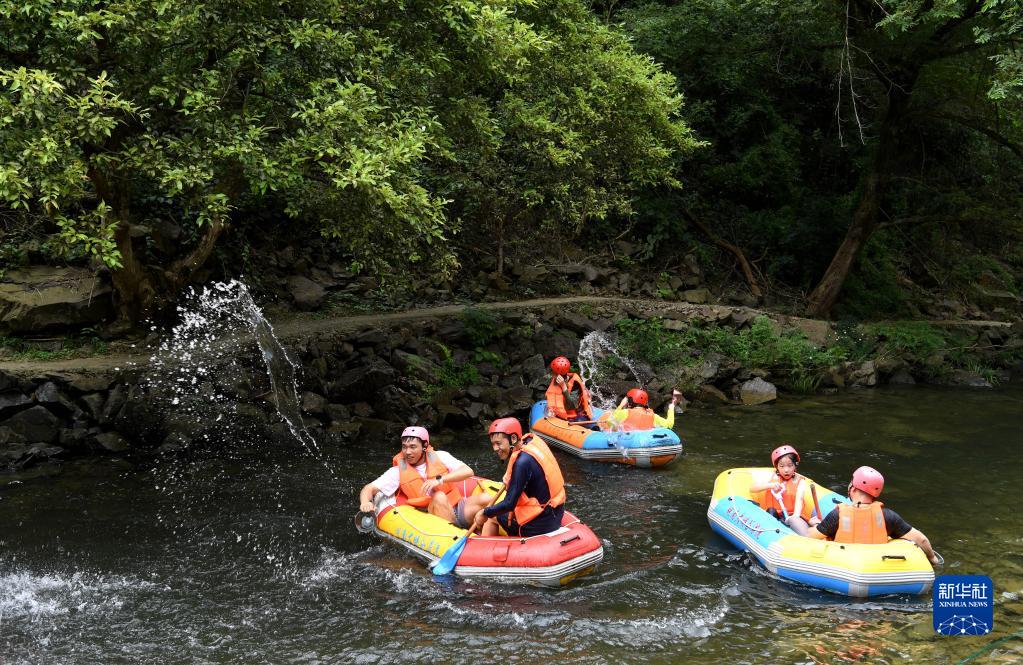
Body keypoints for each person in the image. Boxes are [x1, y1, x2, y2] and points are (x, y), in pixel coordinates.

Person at [358, 426, 493, 528]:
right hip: (432, 514)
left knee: (488, 498)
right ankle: (458, 537)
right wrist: (365, 502)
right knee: (439, 496)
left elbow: (468, 471)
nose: (407, 452)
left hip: (457, 506)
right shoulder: (397, 471)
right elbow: (368, 489)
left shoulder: (440, 456)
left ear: (424, 446)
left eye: (412, 447)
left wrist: (439, 480)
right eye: (404, 447)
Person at [808, 466, 941, 565]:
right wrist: (932, 559)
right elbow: (921, 540)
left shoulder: (837, 515)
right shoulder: (888, 516)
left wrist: (815, 524)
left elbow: (809, 536)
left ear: (853, 488)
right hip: (878, 566)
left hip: (845, 566)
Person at [473, 417, 566, 537]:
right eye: (493, 444)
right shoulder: (530, 443)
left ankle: (484, 548)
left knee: (491, 517)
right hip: (555, 514)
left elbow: (509, 504)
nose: (495, 449)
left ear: (513, 438)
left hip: (539, 524)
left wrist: (484, 513)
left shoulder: (522, 463)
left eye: (499, 443)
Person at [750, 444, 815, 535]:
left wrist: (795, 516)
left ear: (795, 466)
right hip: (775, 515)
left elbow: (799, 499)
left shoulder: (800, 481)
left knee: (796, 521)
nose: (786, 470)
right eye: (782, 466)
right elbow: (753, 489)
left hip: (792, 516)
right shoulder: (771, 476)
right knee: (771, 511)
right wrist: (771, 485)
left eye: (790, 465)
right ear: (777, 467)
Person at [605, 387, 682, 431]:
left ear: (630, 401)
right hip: (645, 443)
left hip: (630, 443)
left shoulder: (625, 413)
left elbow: (610, 422)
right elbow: (669, 425)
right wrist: (671, 408)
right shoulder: (652, 415)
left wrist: (621, 406)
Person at [544, 356, 593, 423]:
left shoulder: (575, 384)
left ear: (559, 375)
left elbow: (572, 405)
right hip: (562, 413)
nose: (552, 374)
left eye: (553, 372)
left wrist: (564, 386)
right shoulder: (556, 379)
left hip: (577, 414)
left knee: (580, 421)